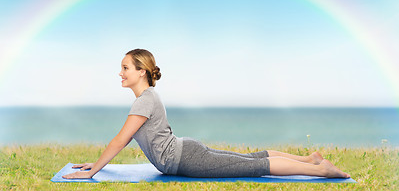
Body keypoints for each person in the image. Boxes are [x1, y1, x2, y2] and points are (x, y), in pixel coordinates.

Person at [62, 48, 350, 179]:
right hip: (187, 151)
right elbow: (126, 142)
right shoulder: (148, 98)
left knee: (254, 167)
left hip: (186, 157)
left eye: (125, 67)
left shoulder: (143, 101)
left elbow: (119, 140)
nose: (120, 73)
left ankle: (318, 169)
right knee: (250, 159)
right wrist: (98, 164)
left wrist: (94, 170)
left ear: (142, 72)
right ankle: (308, 159)